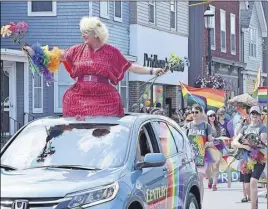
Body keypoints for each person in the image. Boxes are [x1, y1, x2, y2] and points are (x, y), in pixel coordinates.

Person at [23, 16, 165, 117]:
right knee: (69, 101)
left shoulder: (111, 52)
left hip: (104, 95)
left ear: (95, 34)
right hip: (80, 94)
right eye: (82, 31)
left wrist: (153, 70)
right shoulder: (77, 49)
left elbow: (130, 67)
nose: (82, 34)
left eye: (86, 32)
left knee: (106, 126)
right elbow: (55, 55)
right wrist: (33, 51)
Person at [232, 106, 267, 209]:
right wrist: (244, 146)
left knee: (253, 182)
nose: (254, 116)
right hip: (246, 160)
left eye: (256, 114)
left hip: (258, 158)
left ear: (259, 116)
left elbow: (261, 142)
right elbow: (234, 142)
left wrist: (250, 142)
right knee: (247, 188)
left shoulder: (263, 128)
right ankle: (254, 203)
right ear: (249, 115)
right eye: (252, 113)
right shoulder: (245, 128)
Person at [185, 104, 213, 201]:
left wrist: (206, 144)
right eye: (192, 112)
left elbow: (211, 141)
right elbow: (183, 141)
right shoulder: (188, 126)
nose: (194, 114)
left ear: (201, 113)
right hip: (190, 157)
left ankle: (199, 201)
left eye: (196, 112)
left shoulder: (206, 126)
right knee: (192, 179)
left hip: (202, 156)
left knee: (200, 178)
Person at [206, 110, 222, 191]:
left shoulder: (218, 126)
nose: (212, 117)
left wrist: (219, 139)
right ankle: (209, 180)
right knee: (208, 168)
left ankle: (214, 184)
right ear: (207, 117)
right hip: (208, 148)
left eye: (213, 115)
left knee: (216, 166)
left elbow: (220, 136)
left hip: (218, 147)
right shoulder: (205, 126)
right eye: (210, 115)